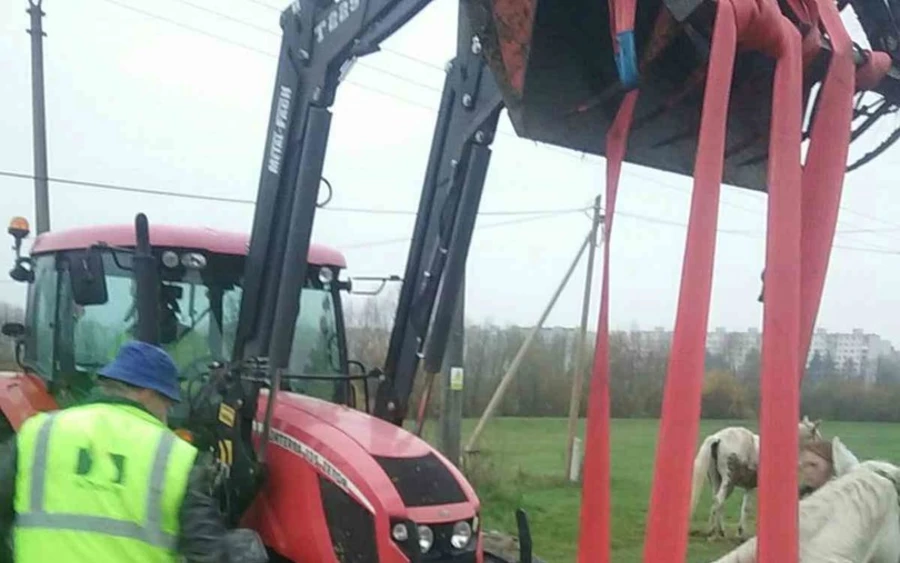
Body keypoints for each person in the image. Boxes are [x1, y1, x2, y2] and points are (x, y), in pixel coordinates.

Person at [0, 340, 234, 563]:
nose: (168, 412)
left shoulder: (38, 433)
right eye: (167, 402)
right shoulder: (175, 457)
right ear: (147, 392)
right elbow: (207, 553)